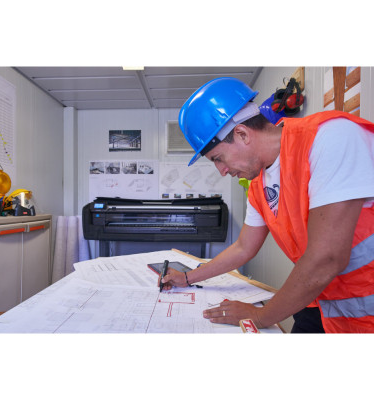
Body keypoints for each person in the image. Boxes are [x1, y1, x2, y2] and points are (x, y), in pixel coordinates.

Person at [160, 77, 374, 333]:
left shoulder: (331, 138)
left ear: (242, 134)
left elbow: (326, 258)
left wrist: (260, 316)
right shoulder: (259, 183)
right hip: (321, 303)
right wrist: (187, 278)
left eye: (218, 158)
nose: (222, 171)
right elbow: (243, 247)